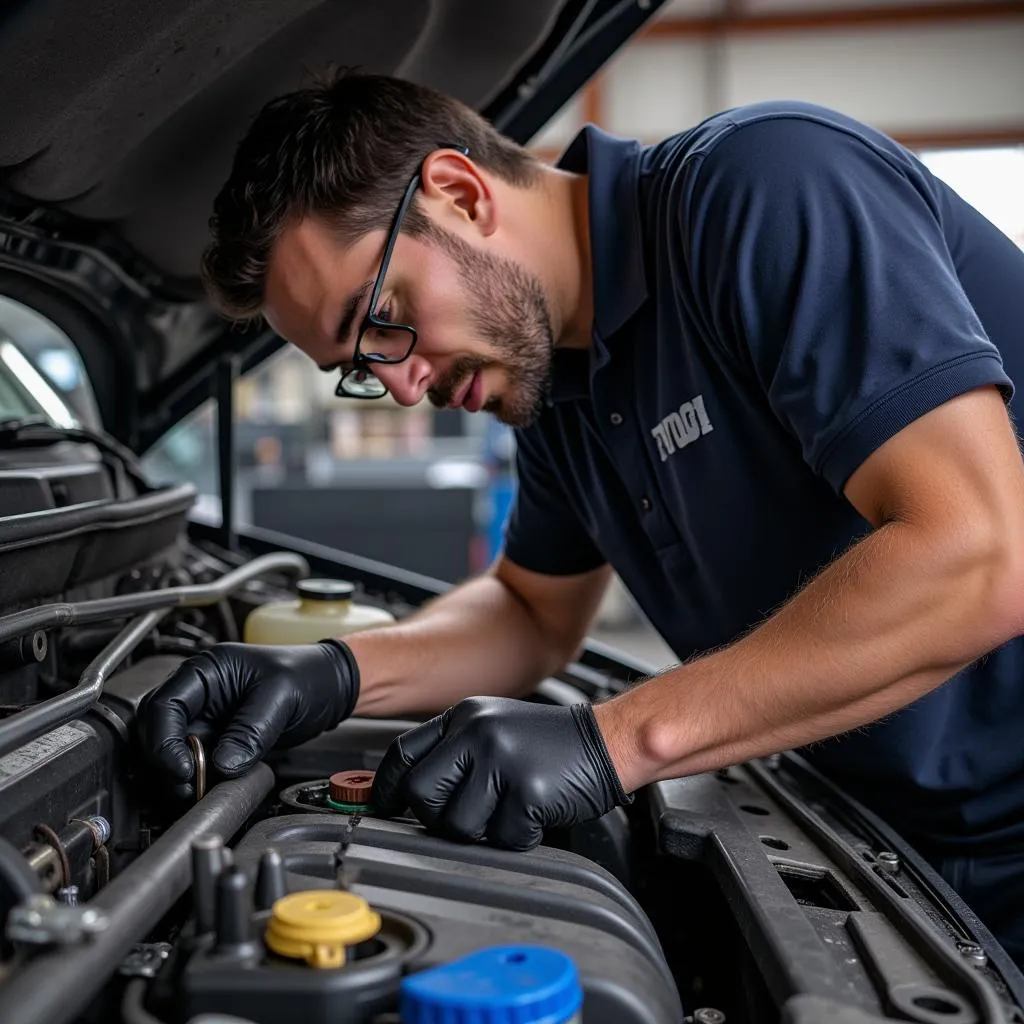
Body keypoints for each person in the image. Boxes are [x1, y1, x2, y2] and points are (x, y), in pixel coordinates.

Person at [141, 69, 1024, 964]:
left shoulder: (763, 186)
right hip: (902, 855)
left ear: (458, 192)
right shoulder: (557, 388)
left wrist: (615, 741)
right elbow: (533, 613)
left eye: (384, 318)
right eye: (362, 367)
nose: (405, 388)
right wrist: (329, 674)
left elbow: (979, 554)